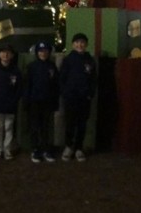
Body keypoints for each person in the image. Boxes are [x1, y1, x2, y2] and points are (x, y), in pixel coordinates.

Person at [59, 32, 97, 162]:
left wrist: (90, 94)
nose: (80, 45)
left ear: (86, 44)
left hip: (84, 98)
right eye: (77, 42)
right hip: (71, 98)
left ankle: (79, 148)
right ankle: (69, 147)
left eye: (82, 42)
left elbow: (93, 79)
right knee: (70, 123)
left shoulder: (90, 60)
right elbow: (62, 78)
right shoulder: (68, 60)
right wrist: (65, 93)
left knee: (82, 124)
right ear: (73, 44)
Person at [25, 40, 59, 163]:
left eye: (45, 51)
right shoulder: (32, 67)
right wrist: (27, 101)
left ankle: (46, 149)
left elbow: (56, 86)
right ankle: (35, 150)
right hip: (34, 102)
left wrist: (55, 102)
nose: (43, 53)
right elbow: (27, 85)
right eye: (40, 51)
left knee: (46, 127)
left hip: (48, 102)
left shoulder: (52, 66)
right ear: (37, 52)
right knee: (35, 127)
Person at [0, 43, 23, 160]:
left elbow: (19, 88)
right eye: (3, 52)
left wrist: (14, 101)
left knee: (9, 129)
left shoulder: (16, 71)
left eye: (8, 52)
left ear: (12, 55)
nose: (5, 54)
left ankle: (7, 150)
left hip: (10, 106)